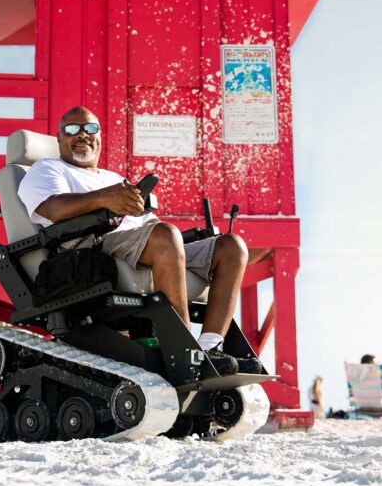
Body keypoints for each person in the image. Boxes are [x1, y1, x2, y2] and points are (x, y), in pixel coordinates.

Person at [17, 106, 252, 375]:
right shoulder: (48, 168)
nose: (82, 134)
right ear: (59, 138)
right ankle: (185, 350)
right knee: (165, 235)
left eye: (90, 129)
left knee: (231, 246)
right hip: (90, 246)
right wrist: (105, 199)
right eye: (72, 129)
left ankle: (210, 347)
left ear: (100, 137)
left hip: (139, 243)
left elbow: (147, 225)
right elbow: (54, 210)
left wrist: (171, 235)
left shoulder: (114, 179)